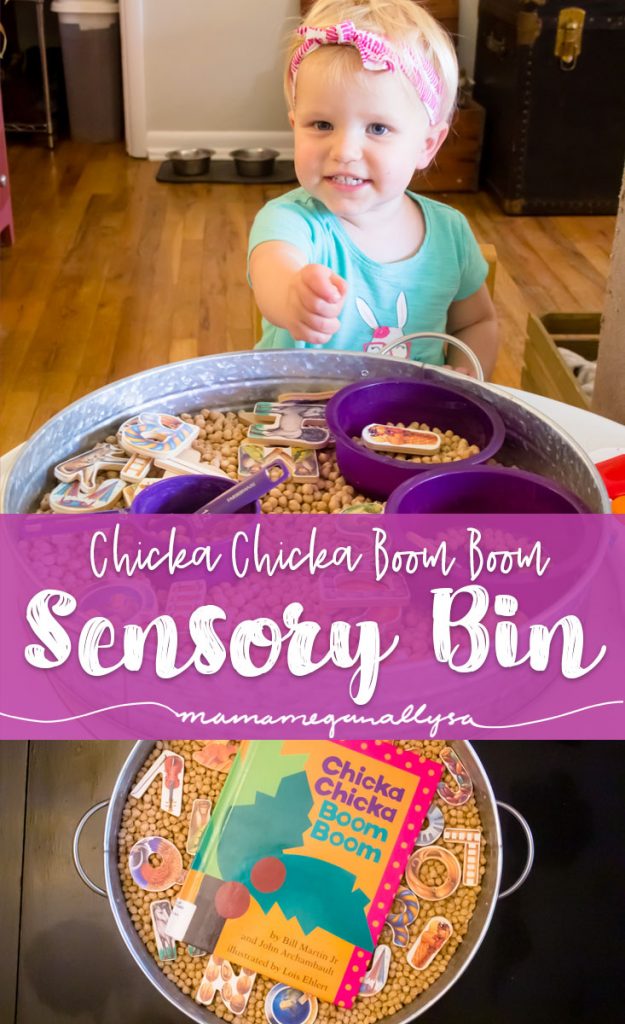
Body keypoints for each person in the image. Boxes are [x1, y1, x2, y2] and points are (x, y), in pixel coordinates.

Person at [248, 0, 499, 377]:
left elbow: (476, 323)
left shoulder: (450, 233)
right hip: (299, 428)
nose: (345, 151)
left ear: (427, 145)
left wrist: (466, 375)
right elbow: (274, 272)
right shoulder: (289, 221)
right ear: (294, 124)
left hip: (411, 425)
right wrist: (292, 296)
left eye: (377, 129)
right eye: (321, 125)